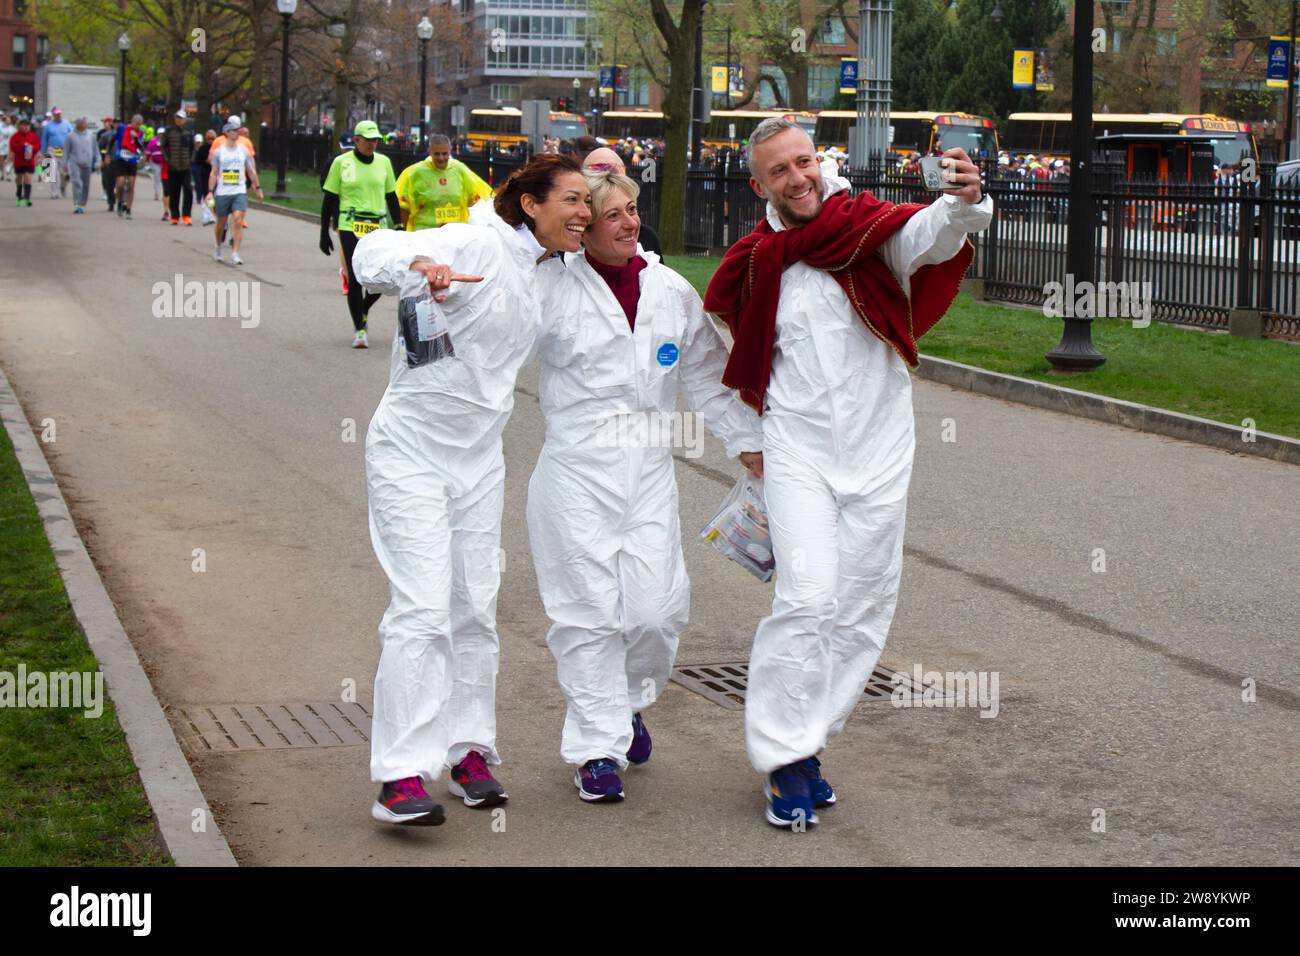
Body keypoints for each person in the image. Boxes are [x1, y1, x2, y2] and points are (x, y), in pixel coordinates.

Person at [702, 117, 991, 829]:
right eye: (780, 171)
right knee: (806, 600)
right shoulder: (755, 258)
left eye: (803, 161)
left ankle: (807, 744)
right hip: (797, 455)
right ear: (758, 184)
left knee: (860, 608)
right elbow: (718, 358)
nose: (797, 178)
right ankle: (782, 757)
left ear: (818, 160)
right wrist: (748, 440)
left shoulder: (866, 226)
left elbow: (933, 235)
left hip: (880, 452)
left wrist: (963, 200)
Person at [349, 154, 592, 826]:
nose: (583, 214)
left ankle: (469, 751)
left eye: (588, 203)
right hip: (411, 452)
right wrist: (418, 270)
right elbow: (371, 250)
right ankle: (399, 774)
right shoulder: (474, 240)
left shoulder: (556, 272)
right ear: (531, 203)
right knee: (422, 608)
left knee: (473, 608)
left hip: (480, 460)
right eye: (571, 199)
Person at [528, 169, 763, 803]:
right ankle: (595, 750)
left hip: (649, 471)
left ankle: (626, 706)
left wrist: (747, 443)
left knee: (656, 612)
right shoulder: (549, 285)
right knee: (589, 616)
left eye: (634, 211)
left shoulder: (668, 290)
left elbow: (709, 378)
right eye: (615, 216)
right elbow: (494, 346)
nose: (632, 224)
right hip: (576, 473)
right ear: (584, 227)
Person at [319, 120, 401, 348]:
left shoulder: (384, 162)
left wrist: (399, 225)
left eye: (375, 140)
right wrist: (324, 232)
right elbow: (329, 199)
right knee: (355, 277)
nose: (372, 144)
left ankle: (363, 307)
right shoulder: (341, 163)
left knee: (383, 278)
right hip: (349, 224)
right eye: (367, 140)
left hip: (378, 226)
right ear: (356, 140)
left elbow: (392, 196)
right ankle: (360, 329)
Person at [393, 133, 492, 231]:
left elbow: (477, 200)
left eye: (444, 153)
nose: (441, 158)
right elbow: (403, 206)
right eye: (437, 154)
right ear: (430, 152)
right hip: (424, 236)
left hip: (454, 237)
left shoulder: (460, 170)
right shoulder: (414, 173)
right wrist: (402, 232)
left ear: (450, 152)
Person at [580, 147, 663, 258]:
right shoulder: (563, 251)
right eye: (613, 215)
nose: (632, 224)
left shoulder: (647, 238)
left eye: (632, 209)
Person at [207, 117, 263, 265]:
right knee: (221, 222)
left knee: (238, 219)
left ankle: (235, 252)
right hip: (223, 191)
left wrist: (257, 188)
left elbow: (251, 170)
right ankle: (218, 246)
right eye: (232, 131)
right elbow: (213, 172)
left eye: (237, 131)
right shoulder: (219, 152)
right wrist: (210, 191)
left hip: (239, 189)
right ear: (226, 133)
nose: (235, 133)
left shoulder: (243, 150)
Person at [161, 109, 195, 225]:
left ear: (185, 120)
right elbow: (163, 147)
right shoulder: (169, 132)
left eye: (180, 118)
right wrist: (167, 159)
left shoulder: (189, 133)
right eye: (177, 118)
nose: (178, 120)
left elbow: (193, 148)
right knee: (174, 192)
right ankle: (174, 216)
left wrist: (191, 160)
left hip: (185, 167)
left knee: (188, 190)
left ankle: (186, 215)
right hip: (173, 167)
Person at [111, 114, 145, 219]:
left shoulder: (140, 133)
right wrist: (108, 154)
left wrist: (136, 138)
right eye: (136, 124)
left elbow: (141, 147)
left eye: (140, 124)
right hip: (121, 159)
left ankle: (129, 209)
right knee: (120, 184)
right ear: (132, 122)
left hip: (132, 160)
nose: (138, 126)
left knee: (131, 184)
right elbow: (113, 139)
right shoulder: (122, 128)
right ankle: (120, 202)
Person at [65, 117, 98, 214]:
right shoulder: (70, 136)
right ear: (78, 124)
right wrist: (64, 164)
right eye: (84, 123)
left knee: (85, 185)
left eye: (86, 123)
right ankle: (77, 204)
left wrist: (98, 161)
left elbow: (95, 150)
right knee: (77, 183)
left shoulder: (91, 135)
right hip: (74, 162)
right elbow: (66, 151)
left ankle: (82, 203)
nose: (86, 124)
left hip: (87, 163)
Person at [39, 106, 72, 199]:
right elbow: (44, 139)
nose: (58, 115)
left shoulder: (67, 124)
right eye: (56, 114)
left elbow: (72, 136)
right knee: (53, 172)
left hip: (64, 150)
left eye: (59, 114)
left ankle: (63, 186)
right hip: (52, 149)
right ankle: (54, 192)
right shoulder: (48, 126)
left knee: (66, 172)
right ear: (53, 115)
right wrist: (43, 153)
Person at [9, 117, 40, 206]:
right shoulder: (15, 136)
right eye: (24, 125)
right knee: (20, 177)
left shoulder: (33, 136)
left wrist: (32, 148)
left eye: (27, 125)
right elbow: (13, 146)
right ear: (19, 126)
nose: (26, 127)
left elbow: (38, 146)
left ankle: (27, 197)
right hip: (19, 160)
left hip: (29, 160)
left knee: (28, 176)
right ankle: (19, 194)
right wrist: (22, 145)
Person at [193, 129, 216, 224]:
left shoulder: (218, 148)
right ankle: (208, 214)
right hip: (205, 174)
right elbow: (197, 160)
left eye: (212, 138)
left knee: (214, 195)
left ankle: (211, 214)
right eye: (208, 138)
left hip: (215, 174)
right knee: (207, 194)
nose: (210, 140)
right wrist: (205, 161)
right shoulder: (203, 148)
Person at [97, 118, 118, 210]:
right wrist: (103, 158)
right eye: (116, 123)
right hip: (109, 162)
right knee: (109, 183)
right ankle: (111, 202)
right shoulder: (106, 135)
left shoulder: (126, 135)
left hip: (121, 162)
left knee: (121, 183)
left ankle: (122, 202)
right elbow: (100, 148)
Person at [144, 129, 166, 212]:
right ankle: (157, 193)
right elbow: (148, 152)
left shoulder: (166, 142)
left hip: (164, 163)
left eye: (163, 134)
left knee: (163, 178)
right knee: (157, 178)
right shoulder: (152, 142)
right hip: (155, 162)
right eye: (160, 134)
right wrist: (147, 160)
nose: (161, 135)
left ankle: (164, 193)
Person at [0, 113, 15, 181]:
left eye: (9, 120)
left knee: (10, 160)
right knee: (1, 161)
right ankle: (2, 174)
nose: (8, 121)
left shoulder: (13, 128)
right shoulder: (0, 126)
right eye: (7, 120)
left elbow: (15, 137)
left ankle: (8, 174)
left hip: (10, 146)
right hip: (1, 145)